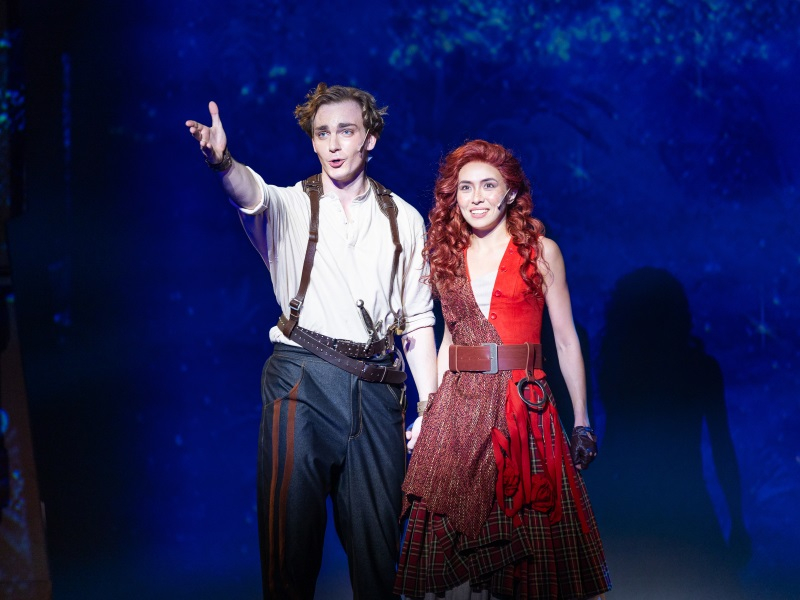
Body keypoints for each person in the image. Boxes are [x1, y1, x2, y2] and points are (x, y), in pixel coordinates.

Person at [185, 83, 438, 600]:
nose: (334, 144)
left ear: (370, 138)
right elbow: (250, 192)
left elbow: (417, 321)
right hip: (302, 379)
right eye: (323, 134)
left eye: (346, 131)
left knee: (380, 555)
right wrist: (222, 161)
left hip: (377, 390)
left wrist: (429, 406)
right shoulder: (291, 206)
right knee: (290, 545)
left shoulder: (405, 220)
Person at [395, 140, 611, 599]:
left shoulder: (541, 251)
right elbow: (450, 340)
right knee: (453, 534)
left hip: (522, 407)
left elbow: (566, 339)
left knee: (529, 534)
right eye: (465, 187)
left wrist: (582, 421)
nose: (476, 198)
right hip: (459, 408)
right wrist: (428, 411)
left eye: (488, 186)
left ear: (510, 193)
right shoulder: (445, 256)